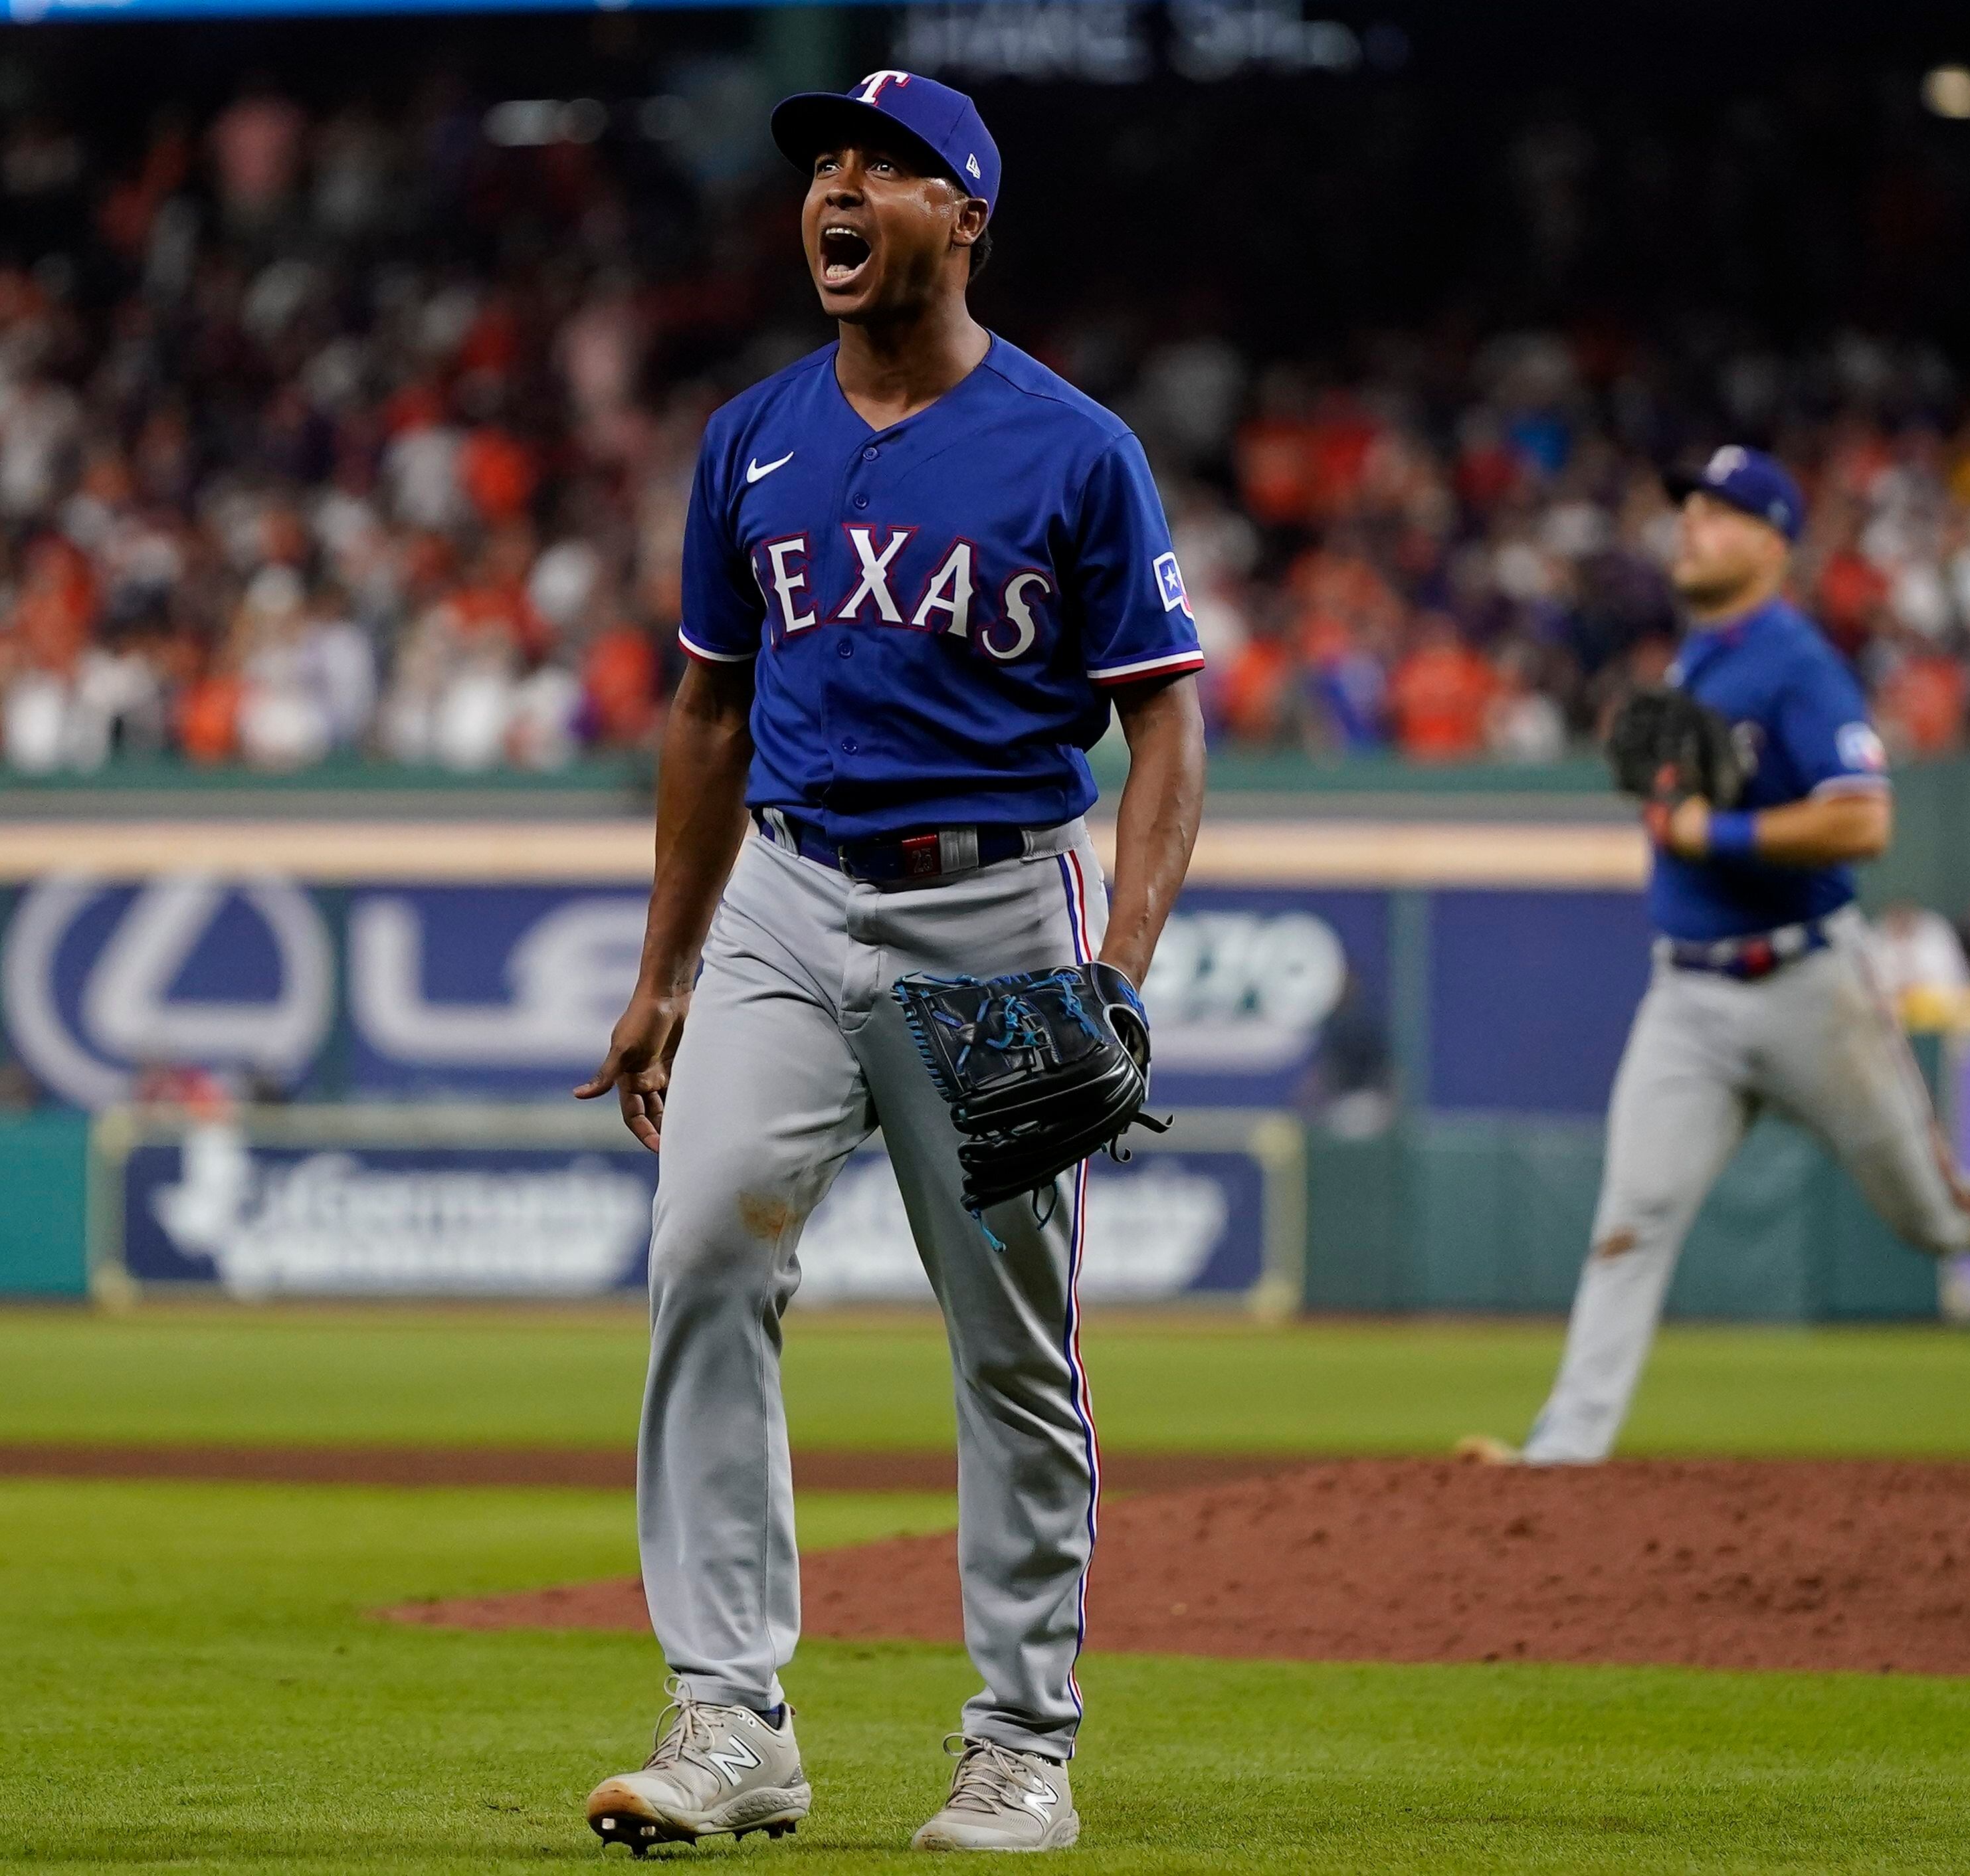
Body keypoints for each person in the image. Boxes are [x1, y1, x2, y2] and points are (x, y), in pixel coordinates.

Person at [574, 72, 1207, 1853]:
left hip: (998, 915)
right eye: (821, 168)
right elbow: (706, 712)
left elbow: (1165, 728)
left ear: (966, 217)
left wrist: (1122, 966)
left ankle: (1020, 1743)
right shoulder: (753, 435)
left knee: (1008, 1345)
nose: (836, 191)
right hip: (782, 896)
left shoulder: (1073, 446)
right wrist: (664, 967)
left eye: (884, 169)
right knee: (701, 1252)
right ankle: (727, 1724)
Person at [1466, 448, 1970, 1467]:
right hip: (1686, 993)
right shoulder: (1698, 660)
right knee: (1629, 1222)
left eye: (1721, 514)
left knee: (1939, 1217)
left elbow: (1862, 820)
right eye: (1688, 508)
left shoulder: (1795, 665)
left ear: (1774, 542)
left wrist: (1712, 835)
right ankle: (1561, 1458)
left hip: (1804, 984)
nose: (1691, 525)